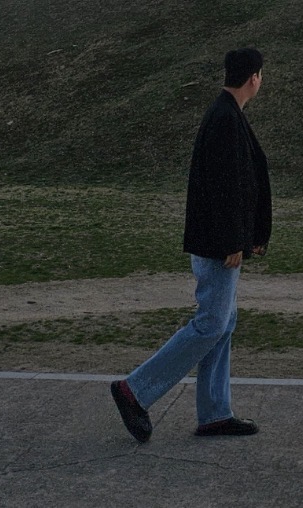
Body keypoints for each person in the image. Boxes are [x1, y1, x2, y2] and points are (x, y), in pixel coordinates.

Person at [110, 46, 272, 442]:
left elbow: (237, 183)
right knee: (211, 322)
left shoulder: (226, 114)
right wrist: (233, 240)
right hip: (219, 244)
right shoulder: (224, 119)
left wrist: (248, 236)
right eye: (262, 75)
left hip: (223, 240)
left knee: (223, 322)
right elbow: (222, 187)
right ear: (253, 77)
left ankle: (215, 412)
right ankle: (135, 390)